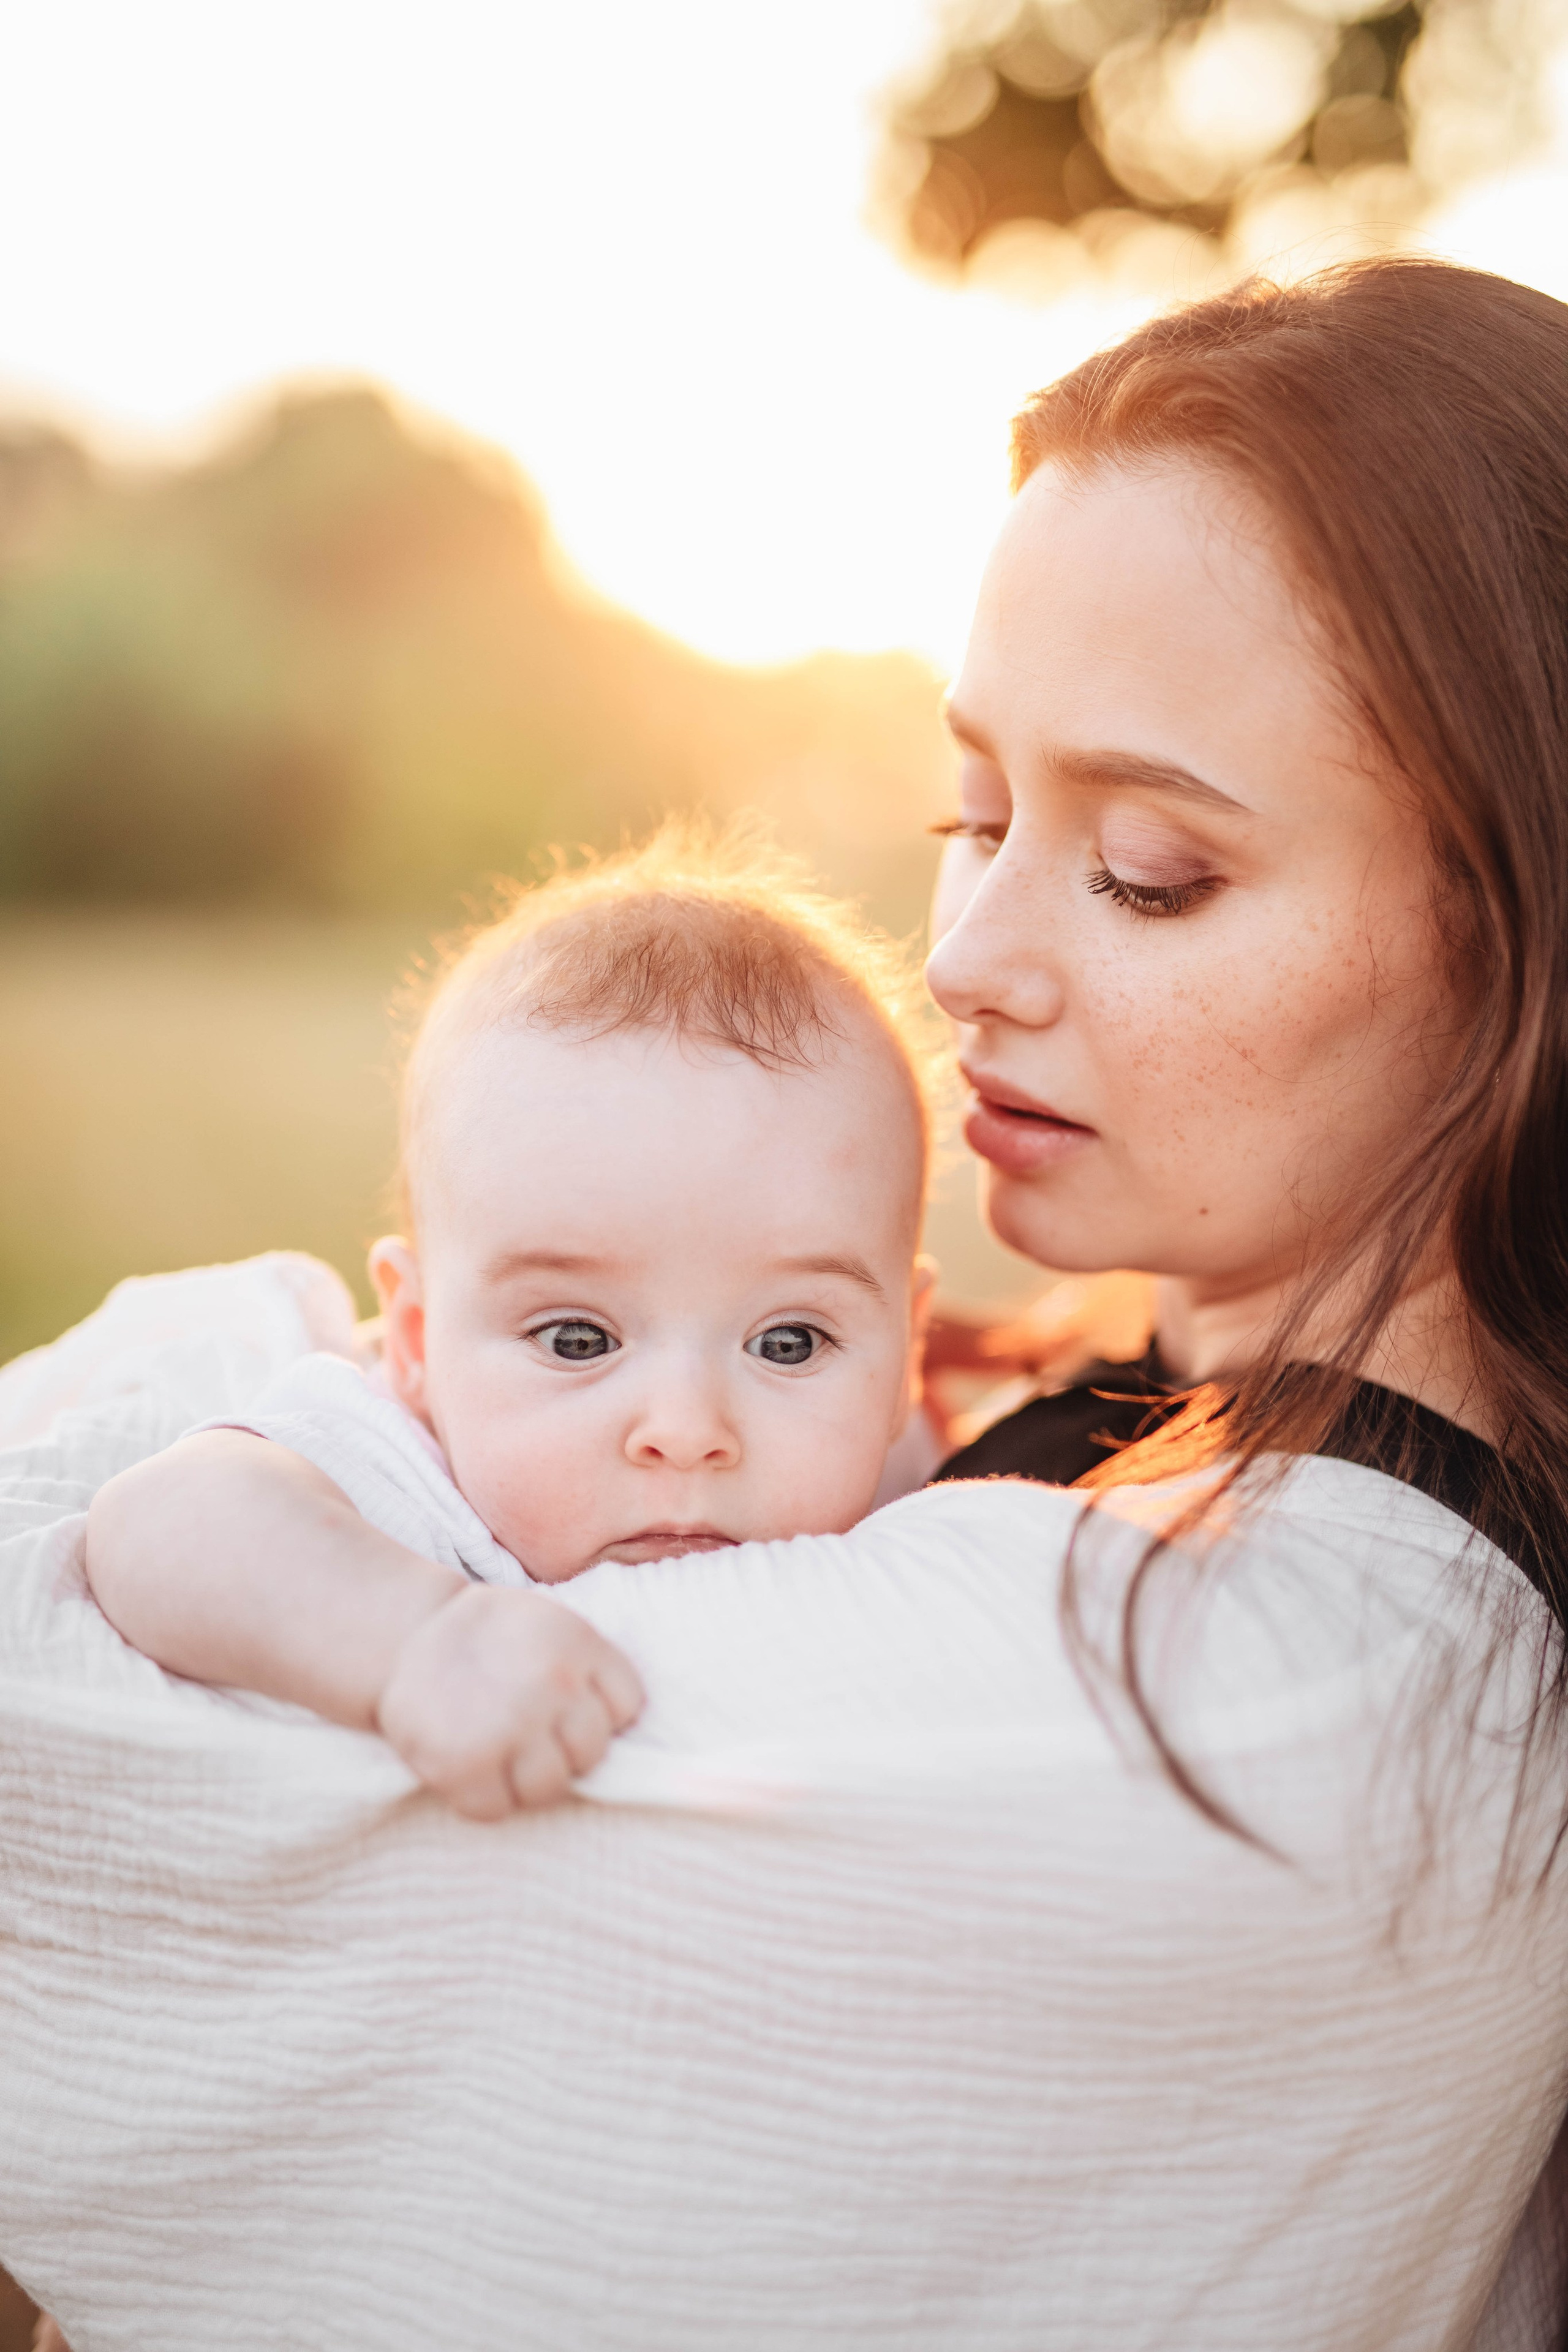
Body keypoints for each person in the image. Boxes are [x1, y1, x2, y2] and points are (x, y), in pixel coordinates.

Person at [6, 254, 1568, 2350]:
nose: (970, 958)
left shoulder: (1252, 1700)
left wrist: (285, 1385)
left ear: (1518, 924)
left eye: (1151, 873)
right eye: (976, 813)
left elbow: (54, 1707)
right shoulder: (1133, 1392)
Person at [82, 832, 938, 1820]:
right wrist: (414, 1641)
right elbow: (159, 1526)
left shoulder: (909, 1492)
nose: (687, 1428)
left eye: (788, 1343)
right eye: (578, 1339)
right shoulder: (406, 1476)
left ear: (905, 1354)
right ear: (413, 1340)